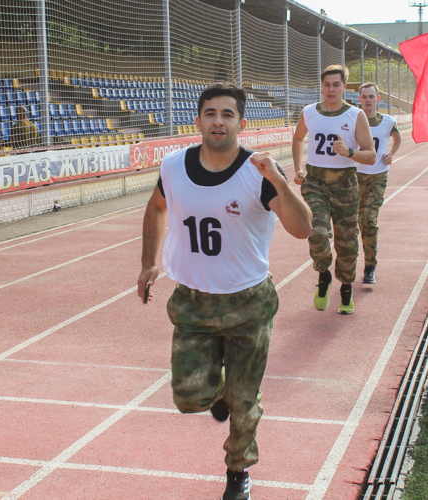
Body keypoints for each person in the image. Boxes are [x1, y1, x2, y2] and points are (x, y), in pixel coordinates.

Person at [137, 83, 311, 500]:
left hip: (248, 302)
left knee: (245, 398)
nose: (218, 121)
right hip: (192, 302)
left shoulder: (260, 171)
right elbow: (157, 207)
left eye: (227, 114)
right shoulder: (174, 166)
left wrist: (280, 182)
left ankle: (238, 473)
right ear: (197, 120)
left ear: (242, 123)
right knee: (188, 397)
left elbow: (302, 228)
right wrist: (148, 262)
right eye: (211, 113)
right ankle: (217, 393)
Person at [292, 65, 376, 313]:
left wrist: (350, 152)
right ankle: (323, 273)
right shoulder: (308, 112)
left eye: (336, 84)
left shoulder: (355, 115)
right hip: (315, 182)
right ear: (321, 85)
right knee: (316, 231)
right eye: (326, 84)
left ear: (344, 86)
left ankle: (346, 286)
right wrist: (298, 168)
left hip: (345, 185)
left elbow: (370, 156)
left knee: (347, 244)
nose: (331, 89)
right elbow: (298, 139)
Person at [356, 82, 401, 284]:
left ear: (378, 99)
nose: (368, 100)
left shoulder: (388, 121)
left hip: (378, 175)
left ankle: (369, 266)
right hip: (355, 176)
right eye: (364, 97)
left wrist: (390, 153)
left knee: (368, 219)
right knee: (359, 222)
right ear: (360, 99)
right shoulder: (352, 119)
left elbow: (397, 138)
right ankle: (371, 245)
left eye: (371, 97)